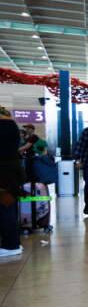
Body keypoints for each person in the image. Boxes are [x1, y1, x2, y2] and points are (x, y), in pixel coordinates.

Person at [0, 106, 23, 257]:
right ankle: (12, 243)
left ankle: (11, 245)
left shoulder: (3, 126)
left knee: (5, 209)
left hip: (3, 174)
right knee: (8, 207)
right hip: (11, 173)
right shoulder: (12, 126)